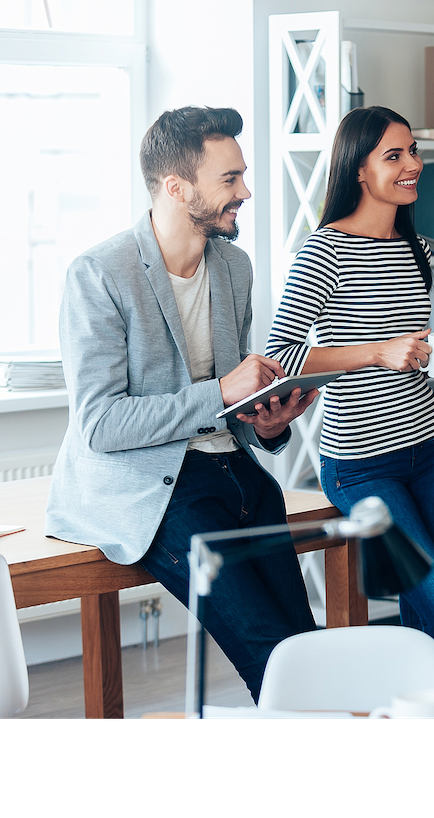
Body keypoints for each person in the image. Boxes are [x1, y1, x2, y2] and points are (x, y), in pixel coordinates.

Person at [46, 106, 318, 703]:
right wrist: (222, 392)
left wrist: (268, 424)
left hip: (237, 474)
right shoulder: (98, 274)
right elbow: (101, 424)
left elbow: (233, 406)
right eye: (230, 179)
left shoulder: (234, 267)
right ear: (176, 187)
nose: (245, 192)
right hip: (153, 487)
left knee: (307, 649)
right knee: (273, 652)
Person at [265, 106, 434, 710]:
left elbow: (408, 343)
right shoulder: (323, 250)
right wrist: (377, 352)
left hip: (429, 450)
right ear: (357, 169)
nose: (413, 164)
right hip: (361, 464)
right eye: (394, 155)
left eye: (413, 151)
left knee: (426, 612)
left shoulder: (417, 247)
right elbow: (280, 356)